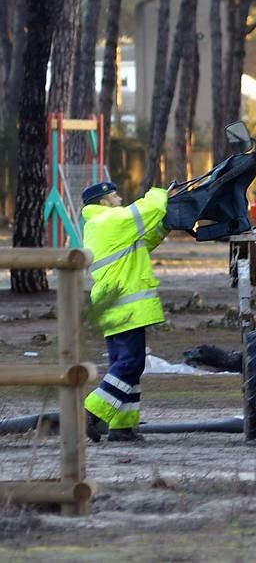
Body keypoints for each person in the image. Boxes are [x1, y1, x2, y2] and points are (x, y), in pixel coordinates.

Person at [81, 180, 170, 443]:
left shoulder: (104, 225)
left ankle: (122, 426)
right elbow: (149, 209)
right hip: (125, 306)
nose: (120, 197)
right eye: (114, 194)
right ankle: (91, 412)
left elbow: (144, 241)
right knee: (131, 364)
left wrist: (164, 226)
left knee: (123, 366)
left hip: (116, 306)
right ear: (103, 201)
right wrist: (162, 191)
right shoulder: (110, 221)